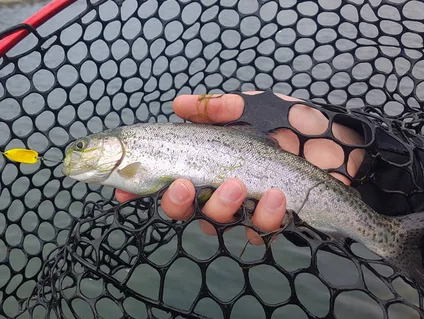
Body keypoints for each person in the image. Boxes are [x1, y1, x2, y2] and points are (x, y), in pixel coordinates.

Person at [115, 91, 366, 245]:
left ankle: (379, 235)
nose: (76, 149)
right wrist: (357, 154)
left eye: (82, 146)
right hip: (354, 183)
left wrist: (349, 146)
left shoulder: (131, 143)